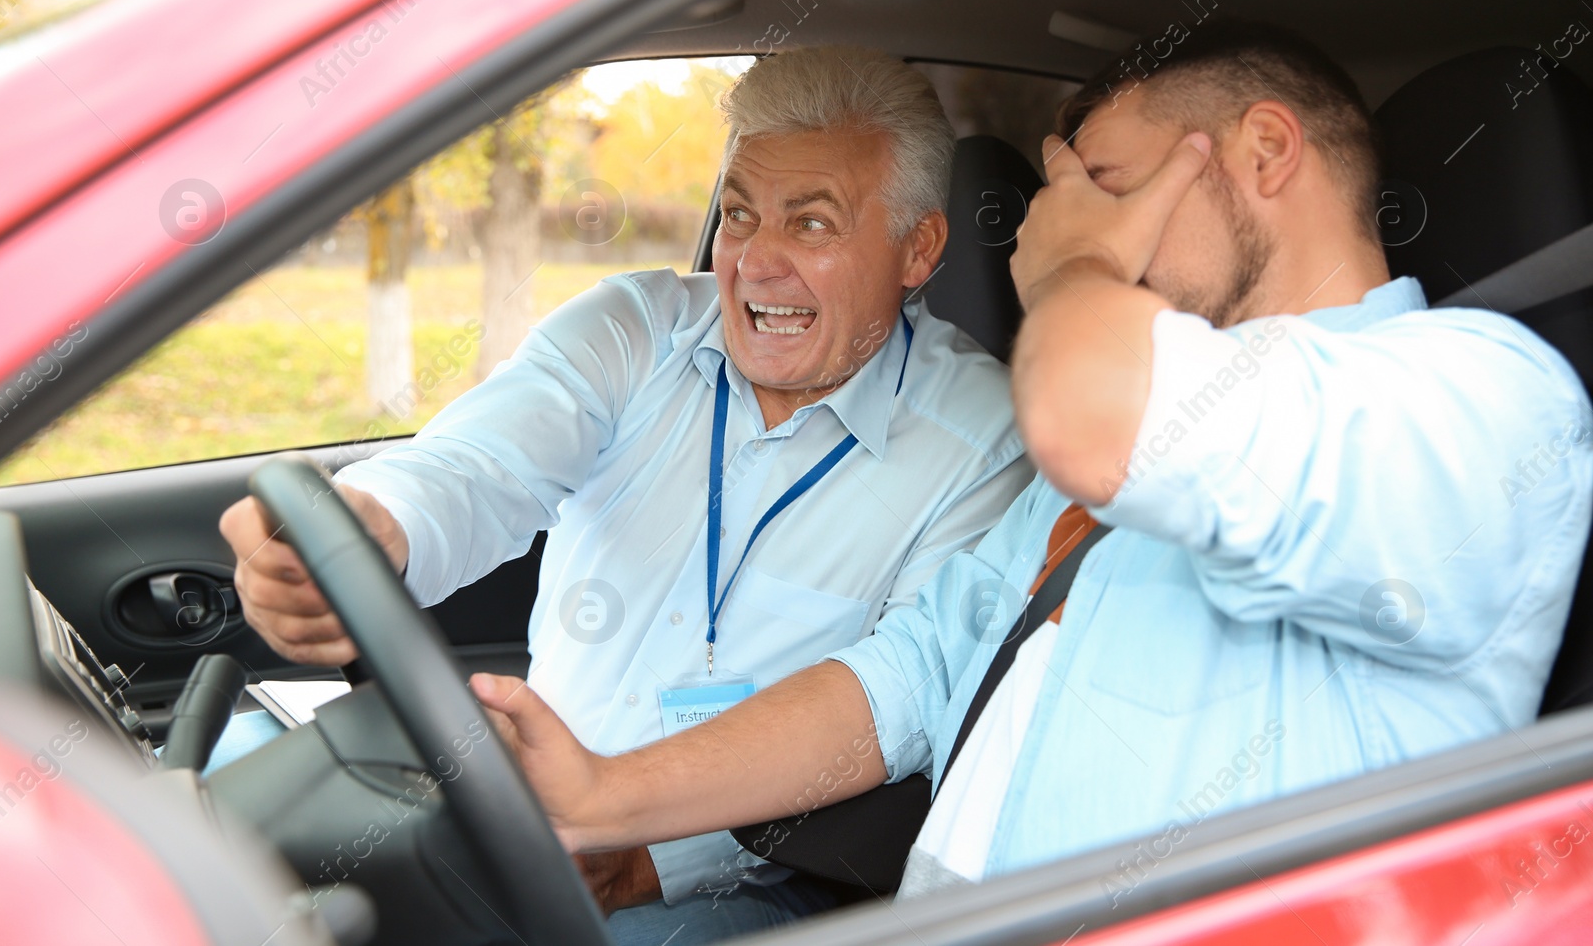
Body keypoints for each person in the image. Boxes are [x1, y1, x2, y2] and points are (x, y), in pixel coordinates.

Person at [469, 21, 1593, 902]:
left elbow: (1100, 413)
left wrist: (1075, 273)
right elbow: (903, 675)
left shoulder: (1476, 394)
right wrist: (611, 792)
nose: (1053, 232)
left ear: (1264, 151)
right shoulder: (1097, 481)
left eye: (1104, 186)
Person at [218, 45, 1031, 940]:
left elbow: (900, 702)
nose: (756, 263)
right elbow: (478, 466)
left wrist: (645, 856)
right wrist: (369, 527)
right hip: (515, 813)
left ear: (919, 248)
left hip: (729, 884)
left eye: (811, 224)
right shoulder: (634, 328)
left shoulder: (984, 443)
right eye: (738, 214)